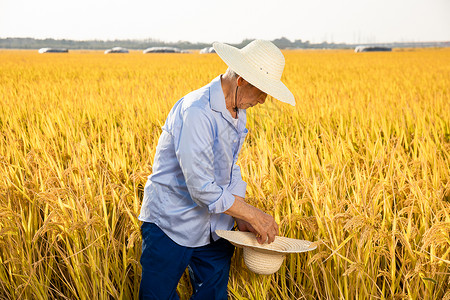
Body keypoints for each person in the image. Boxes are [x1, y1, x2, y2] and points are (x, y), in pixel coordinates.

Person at [138, 39, 296, 300]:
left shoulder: (237, 110)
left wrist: (241, 215)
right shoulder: (196, 112)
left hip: (215, 229)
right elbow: (201, 187)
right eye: (262, 90)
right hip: (171, 224)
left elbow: (229, 167)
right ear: (242, 80)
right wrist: (253, 215)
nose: (264, 100)